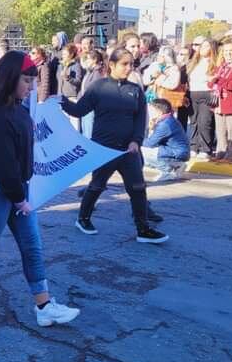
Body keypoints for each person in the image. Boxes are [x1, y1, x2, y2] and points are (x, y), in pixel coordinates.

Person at [0, 50, 80, 326]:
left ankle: (43, 305)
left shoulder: (20, 110)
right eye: (26, 80)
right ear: (10, 79)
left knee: (31, 246)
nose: (32, 87)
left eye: (33, 80)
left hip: (16, 190)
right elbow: (5, 166)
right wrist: (20, 199)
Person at [61, 48, 169, 244]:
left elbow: (140, 119)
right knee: (97, 185)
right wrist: (59, 101)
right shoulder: (98, 87)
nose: (129, 68)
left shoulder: (135, 90)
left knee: (137, 187)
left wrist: (136, 140)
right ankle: (83, 219)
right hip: (104, 147)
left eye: (131, 64)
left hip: (128, 149)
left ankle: (143, 228)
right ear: (112, 65)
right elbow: (78, 110)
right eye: (124, 64)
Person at [209, 41, 232, 163]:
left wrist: (218, 80)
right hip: (218, 102)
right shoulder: (220, 65)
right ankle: (221, 153)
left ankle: (231, 156)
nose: (228, 53)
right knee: (220, 131)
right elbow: (210, 83)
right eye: (225, 51)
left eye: (230, 50)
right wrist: (213, 80)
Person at [142, 98, 190, 181]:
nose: (149, 112)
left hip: (177, 153)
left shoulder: (165, 124)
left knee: (141, 152)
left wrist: (135, 141)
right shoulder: (167, 119)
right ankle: (177, 165)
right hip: (177, 152)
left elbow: (150, 143)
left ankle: (168, 171)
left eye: (151, 110)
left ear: (159, 112)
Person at [187, 38, 217, 160]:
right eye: (201, 46)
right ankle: (194, 147)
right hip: (193, 93)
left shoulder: (214, 63)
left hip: (207, 93)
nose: (202, 48)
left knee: (204, 122)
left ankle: (206, 149)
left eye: (206, 46)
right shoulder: (194, 62)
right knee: (193, 122)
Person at [79, 50, 106, 139]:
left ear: (94, 60)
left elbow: (94, 91)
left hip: (91, 108)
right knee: (85, 131)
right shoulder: (90, 72)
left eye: (88, 59)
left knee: (89, 133)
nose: (86, 61)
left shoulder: (97, 73)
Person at [57, 43, 84, 131]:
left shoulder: (76, 65)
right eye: (63, 54)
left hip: (72, 98)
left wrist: (68, 78)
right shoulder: (60, 65)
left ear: (71, 54)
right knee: (63, 125)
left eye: (65, 54)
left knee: (74, 126)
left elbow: (78, 82)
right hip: (62, 97)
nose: (63, 56)